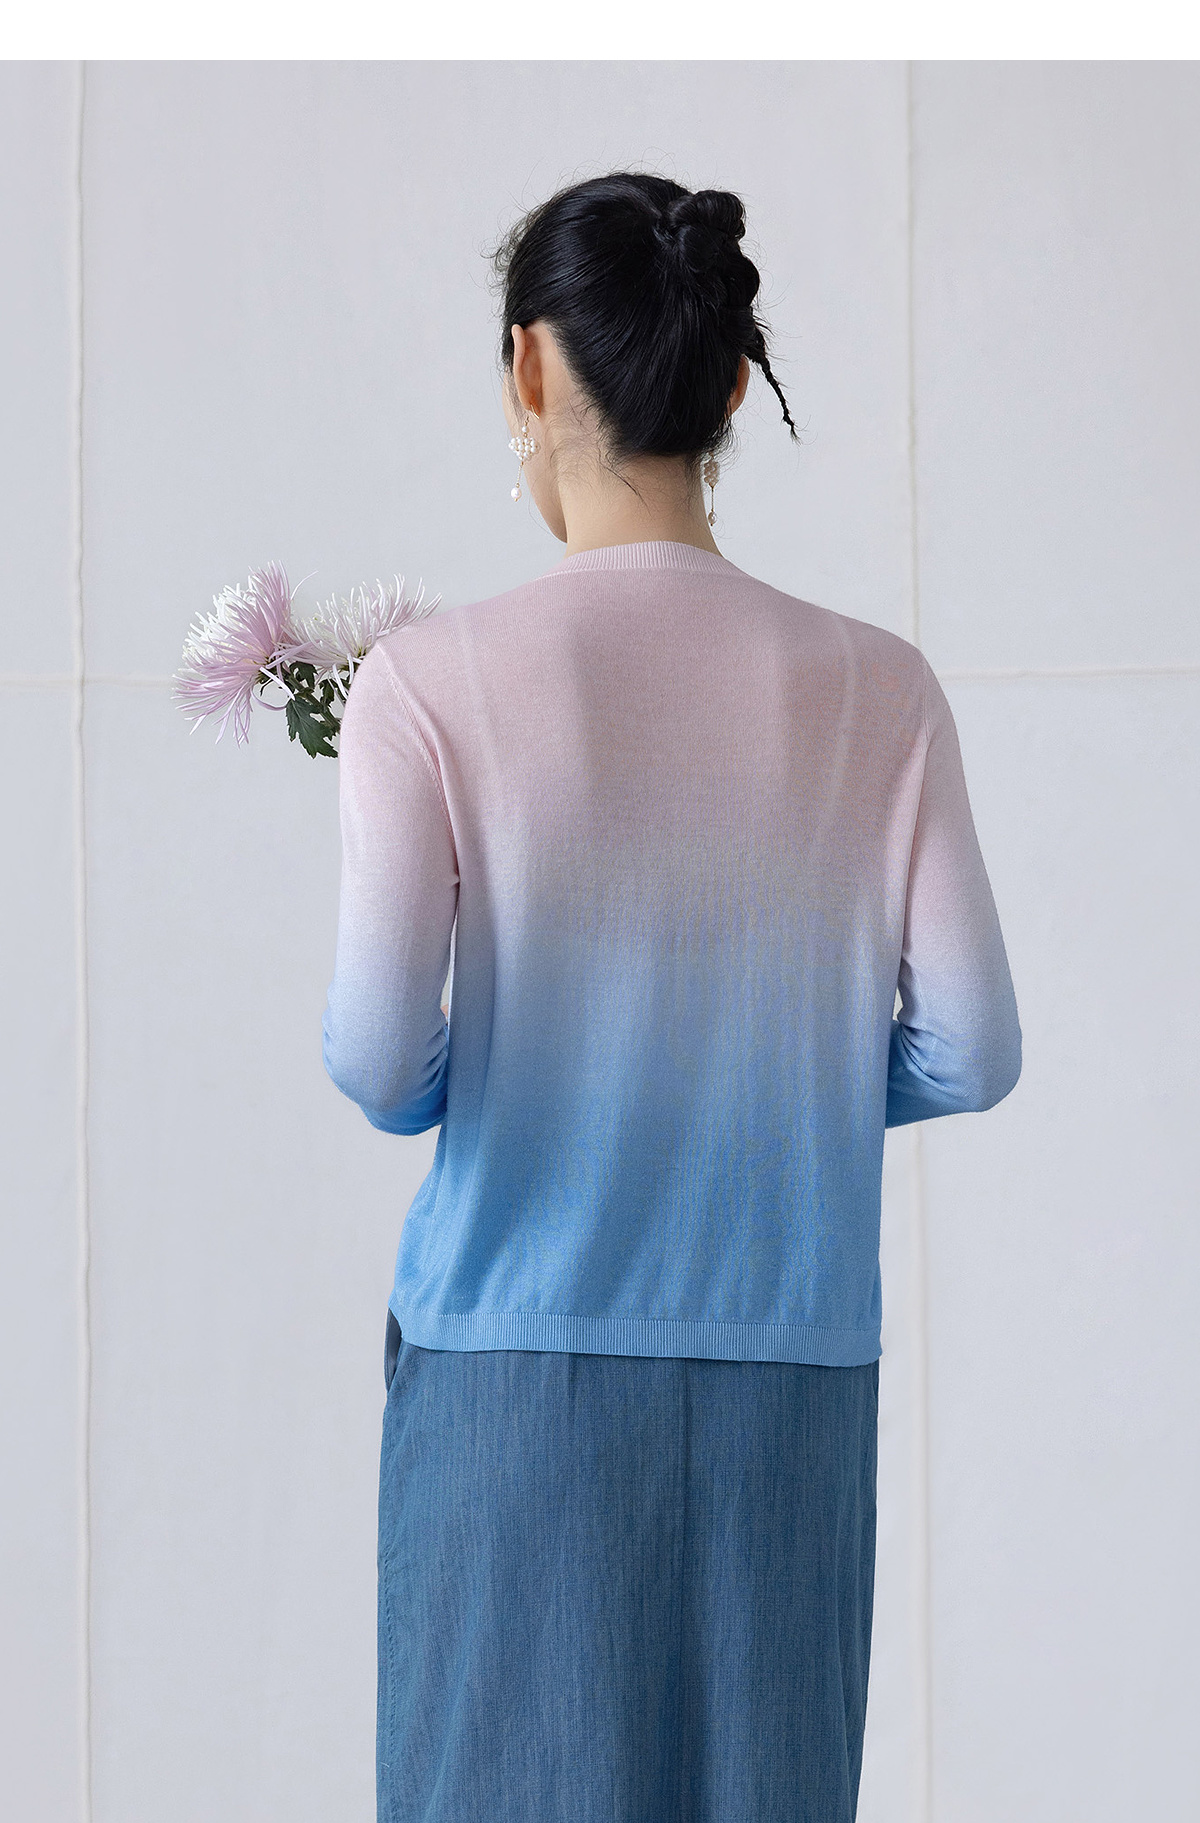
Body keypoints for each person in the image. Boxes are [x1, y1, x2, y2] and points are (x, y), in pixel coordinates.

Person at [322, 170, 1022, 1823]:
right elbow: (977, 1048)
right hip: (793, 1383)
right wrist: (778, 1072)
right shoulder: (881, 688)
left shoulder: (424, 686)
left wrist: (510, 1069)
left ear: (528, 366)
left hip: (515, 1386)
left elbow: (377, 1059)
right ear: (726, 392)